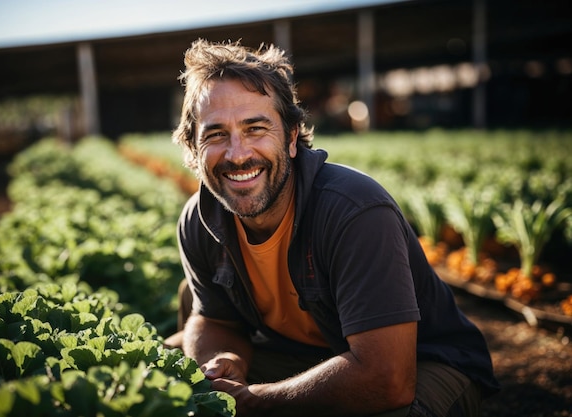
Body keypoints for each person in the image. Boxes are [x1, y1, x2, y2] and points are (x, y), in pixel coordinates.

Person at [165, 38, 499, 417]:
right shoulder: (200, 218)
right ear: (193, 150)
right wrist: (224, 359)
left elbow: (387, 378)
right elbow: (213, 318)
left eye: (255, 128)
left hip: (425, 362)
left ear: (292, 138)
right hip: (309, 353)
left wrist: (261, 399)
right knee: (169, 371)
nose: (238, 154)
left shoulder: (354, 212)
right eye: (215, 134)